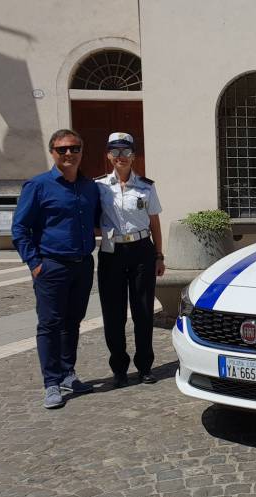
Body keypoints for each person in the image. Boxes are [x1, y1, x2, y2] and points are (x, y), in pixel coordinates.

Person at [12, 129, 100, 409]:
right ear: (52, 153)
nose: (68, 154)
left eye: (74, 148)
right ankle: (51, 382)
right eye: (62, 149)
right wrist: (35, 264)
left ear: (81, 152)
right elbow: (19, 228)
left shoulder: (89, 187)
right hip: (51, 266)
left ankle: (67, 373)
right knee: (49, 324)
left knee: (72, 322)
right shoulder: (38, 186)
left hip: (83, 265)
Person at [95, 132, 165, 388]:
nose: (120, 157)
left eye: (125, 152)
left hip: (141, 251)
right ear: (108, 155)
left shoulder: (146, 186)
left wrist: (159, 254)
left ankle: (145, 366)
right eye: (115, 152)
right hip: (111, 253)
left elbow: (155, 221)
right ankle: (119, 369)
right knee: (113, 314)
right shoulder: (99, 186)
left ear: (133, 156)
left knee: (143, 311)